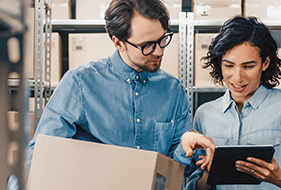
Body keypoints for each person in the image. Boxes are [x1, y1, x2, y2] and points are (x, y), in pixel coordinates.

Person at [7, 0, 215, 189]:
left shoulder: (173, 91)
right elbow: (41, 156)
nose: (159, 51)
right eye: (147, 45)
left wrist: (185, 147)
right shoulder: (80, 83)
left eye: (162, 40)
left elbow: (174, 173)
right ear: (118, 42)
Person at [184, 16, 281, 190]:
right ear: (220, 63)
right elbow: (195, 186)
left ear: (265, 62)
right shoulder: (204, 114)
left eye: (248, 66)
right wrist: (208, 174)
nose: (237, 77)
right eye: (229, 65)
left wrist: (279, 179)